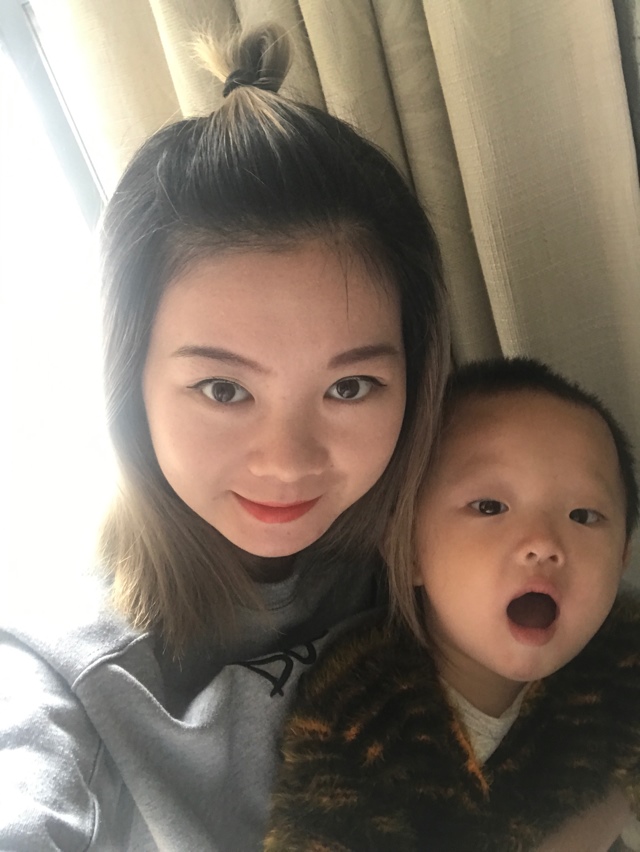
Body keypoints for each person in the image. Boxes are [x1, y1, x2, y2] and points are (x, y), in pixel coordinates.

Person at [0, 24, 450, 852]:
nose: (287, 462)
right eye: (223, 389)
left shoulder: (456, 546)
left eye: (349, 387)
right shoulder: (62, 663)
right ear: (128, 382)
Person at [265, 357, 640, 852]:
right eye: (490, 507)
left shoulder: (621, 666)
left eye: (584, 515)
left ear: (622, 558)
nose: (543, 543)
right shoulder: (362, 714)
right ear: (408, 549)